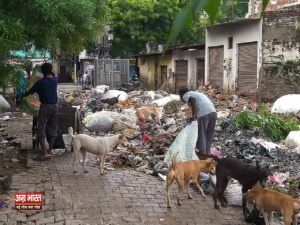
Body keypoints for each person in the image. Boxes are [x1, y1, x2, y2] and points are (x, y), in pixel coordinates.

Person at [22, 63, 58, 160]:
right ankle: (50, 152)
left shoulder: (40, 83)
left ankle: (45, 154)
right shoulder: (55, 81)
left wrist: (23, 95)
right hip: (55, 107)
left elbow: (30, 92)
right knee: (52, 129)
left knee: (41, 129)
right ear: (50, 71)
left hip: (45, 106)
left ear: (42, 72)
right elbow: (53, 75)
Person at [179, 87, 217, 158]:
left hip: (204, 114)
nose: (181, 99)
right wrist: (194, 117)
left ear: (181, 95)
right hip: (213, 112)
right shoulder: (197, 93)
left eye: (180, 97)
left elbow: (193, 100)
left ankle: (202, 155)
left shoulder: (185, 95)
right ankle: (207, 154)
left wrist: (194, 115)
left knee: (201, 134)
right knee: (209, 134)